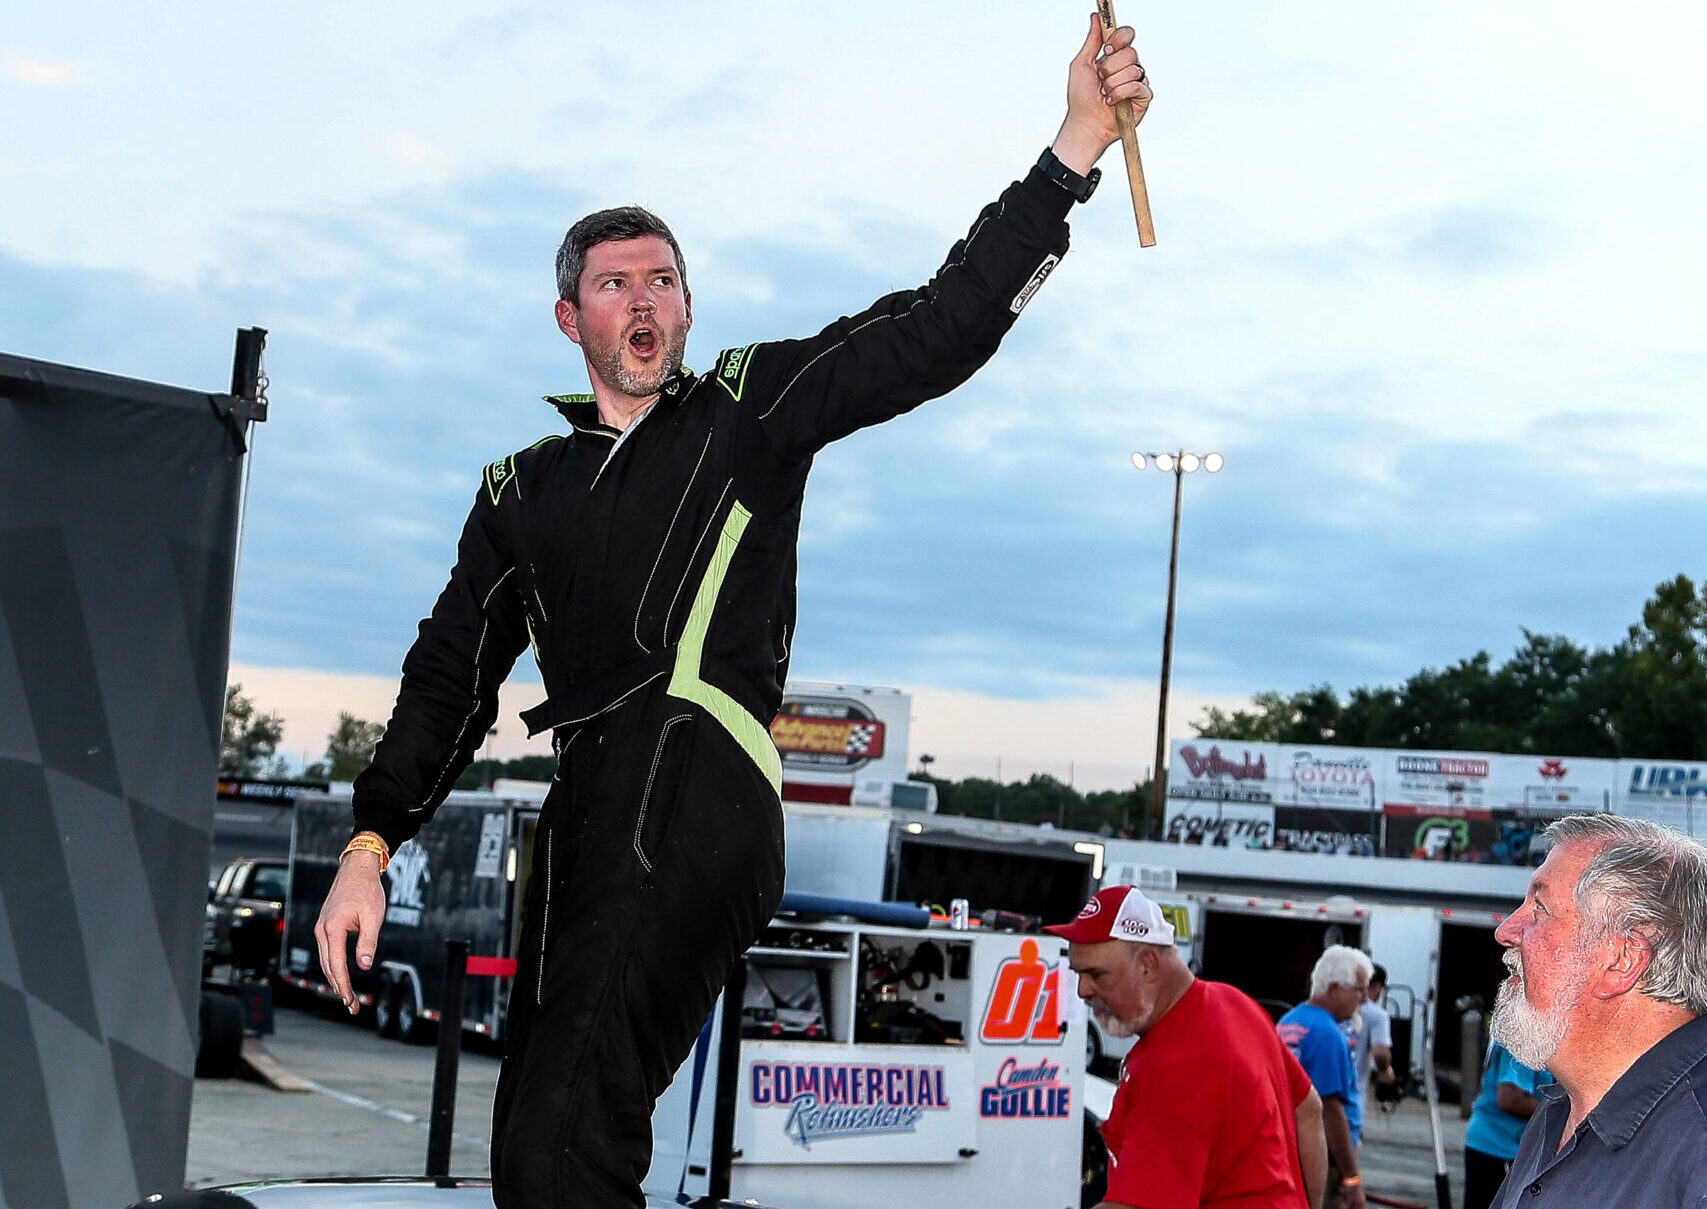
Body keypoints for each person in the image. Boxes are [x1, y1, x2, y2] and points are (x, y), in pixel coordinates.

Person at [310, 18, 1154, 1209]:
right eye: (615, 285)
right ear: (572, 321)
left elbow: (935, 329)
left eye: (663, 280)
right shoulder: (519, 488)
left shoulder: (747, 409)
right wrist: (369, 845)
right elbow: (448, 675)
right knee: (535, 1151)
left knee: (564, 1140)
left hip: (699, 780)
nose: (643, 301)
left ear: (689, 308)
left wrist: (1072, 148)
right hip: (588, 808)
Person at [1050, 885, 1328, 1209]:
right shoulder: (1235, 1003)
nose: (1082, 990)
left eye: (1095, 974)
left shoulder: (1173, 1066)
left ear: (1148, 965)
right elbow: (1308, 1108)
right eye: (1078, 974)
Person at [1487, 814, 1707, 1208]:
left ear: (1623, 958)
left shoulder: (1697, 1147)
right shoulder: (1558, 1112)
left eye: (1539, 907)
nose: (1505, 931)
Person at [1278, 946, 1373, 1209]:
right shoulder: (1327, 1034)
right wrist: (1352, 1178)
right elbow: (1330, 1111)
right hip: (1324, 1159)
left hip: (1291, 1149)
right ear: (1333, 989)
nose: (1364, 999)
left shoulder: (1289, 1021)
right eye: (1359, 990)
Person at [1462, 1040, 1548, 1209]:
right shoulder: (1522, 1039)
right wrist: (1560, 1113)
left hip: (1503, 1145)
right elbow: (1509, 1098)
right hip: (1497, 1147)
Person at [1344, 962, 1396, 1099]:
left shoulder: (1335, 1006)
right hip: (1352, 1090)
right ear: (1377, 986)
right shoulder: (1377, 1014)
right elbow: (1380, 1053)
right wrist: (1385, 1070)